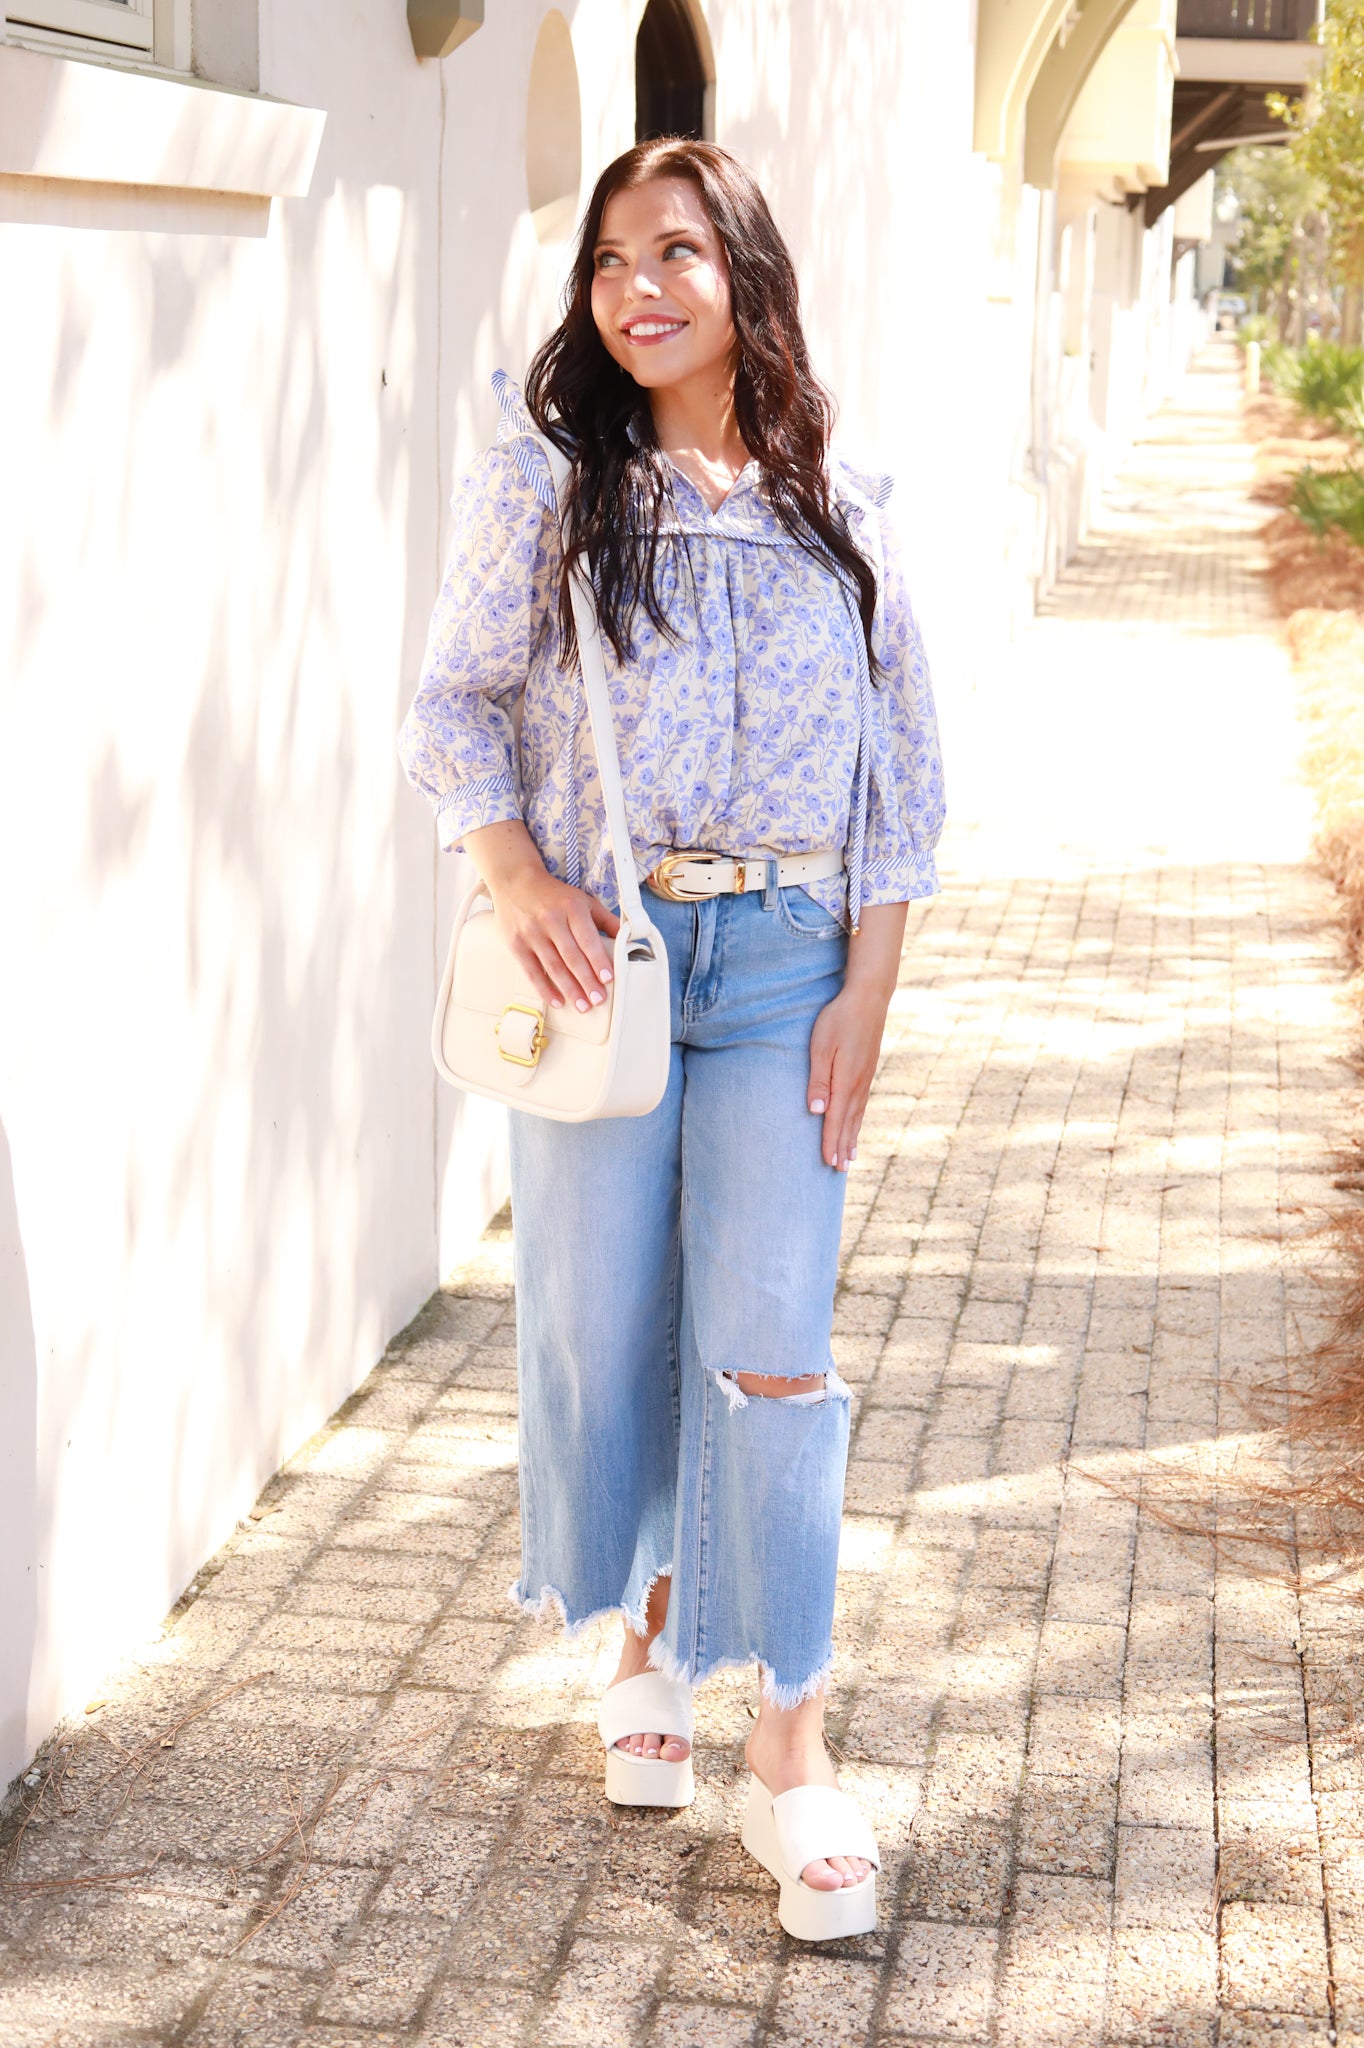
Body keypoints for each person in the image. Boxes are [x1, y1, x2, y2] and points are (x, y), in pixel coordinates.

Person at [399, 137, 943, 1941]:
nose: (638, 284)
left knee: (773, 1347)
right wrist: (514, 874)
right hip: (600, 974)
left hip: (786, 961)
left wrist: (870, 981)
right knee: (597, 1315)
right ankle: (638, 1636)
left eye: (677, 252)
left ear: (741, 279)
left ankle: (789, 1745)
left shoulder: (838, 498)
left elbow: (902, 765)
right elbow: (455, 707)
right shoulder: (549, 487)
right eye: (611, 258)